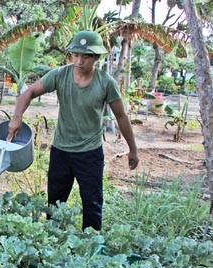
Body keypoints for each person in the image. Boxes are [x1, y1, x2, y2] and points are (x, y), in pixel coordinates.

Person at [7, 30, 139, 231]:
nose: (79, 61)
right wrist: (16, 118)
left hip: (90, 153)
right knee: (55, 205)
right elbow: (30, 92)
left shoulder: (106, 82)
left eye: (85, 56)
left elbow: (121, 116)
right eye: (76, 55)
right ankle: (52, 245)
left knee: (92, 205)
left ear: (95, 57)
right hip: (61, 151)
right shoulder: (60, 75)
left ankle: (91, 247)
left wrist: (133, 149)